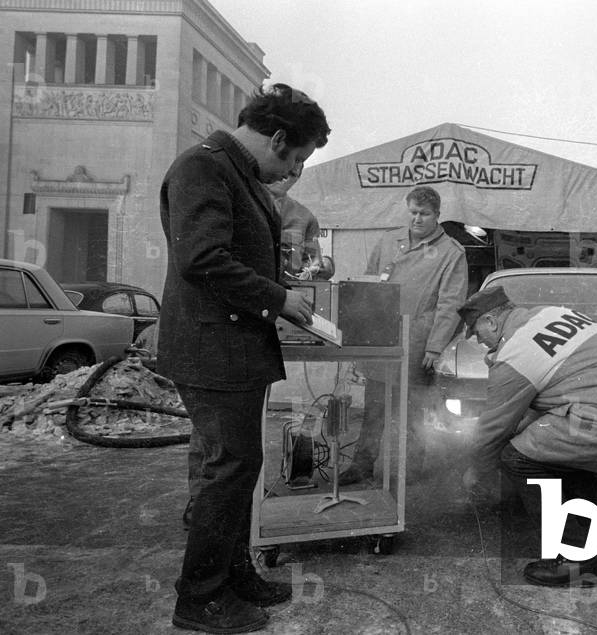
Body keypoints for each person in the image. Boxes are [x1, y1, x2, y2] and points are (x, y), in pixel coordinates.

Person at [159, 83, 329, 633]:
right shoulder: (203, 167)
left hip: (232, 349)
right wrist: (278, 298)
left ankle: (233, 575)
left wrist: (280, 292)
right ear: (278, 138)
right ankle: (200, 597)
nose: (292, 172)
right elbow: (202, 258)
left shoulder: (235, 172)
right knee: (228, 469)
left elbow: (236, 256)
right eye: (296, 159)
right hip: (212, 349)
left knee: (239, 467)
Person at [458, 286, 597, 586]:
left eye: (477, 332)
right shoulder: (552, 314)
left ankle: (574, 557)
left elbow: (493, 429)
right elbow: (553, 392)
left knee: (517, 459)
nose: (479, 340)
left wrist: (476, 470)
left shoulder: (514, 354)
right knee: (560, 453)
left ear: (491, 321)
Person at [341, 185, 468, 484]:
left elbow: (450, 304)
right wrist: (361, 338)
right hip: (382, 337)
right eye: (413, 212)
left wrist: (435, 347)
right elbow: (368, 287)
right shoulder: (389, 241)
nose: (417, 219)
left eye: (424, 214)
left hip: (418, 342)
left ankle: (410, 469)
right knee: (374, 407)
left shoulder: (451, 253)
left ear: (437, 215)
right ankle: (362, 464)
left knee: (413, 411)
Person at [266, 163, 324, 280]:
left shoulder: (305, 217)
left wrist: (314, 268)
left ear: (297, 178)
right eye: (280, 169)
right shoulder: (241, 205)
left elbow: (313, 260)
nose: (285, 177)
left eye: (292, 174)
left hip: (288, 287)